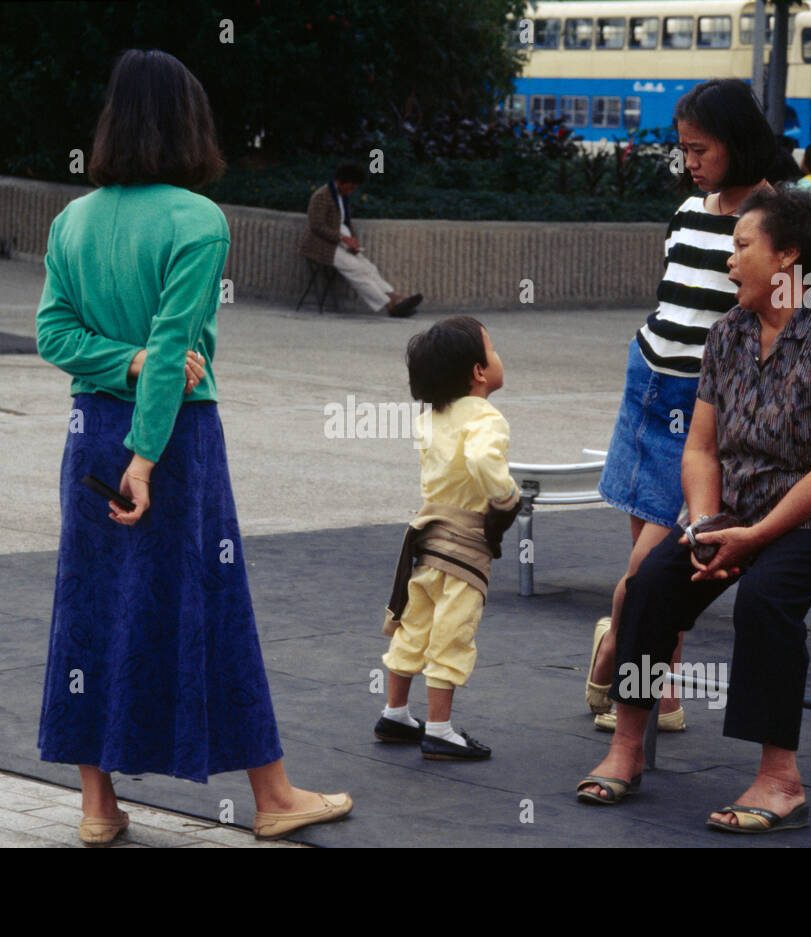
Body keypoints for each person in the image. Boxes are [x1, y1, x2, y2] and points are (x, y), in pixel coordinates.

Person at [35, 48, 351, 845]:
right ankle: (272, 796)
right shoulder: (198, 220)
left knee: (89, 607)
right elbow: (173, 347)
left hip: (89, 433)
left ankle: (97, 805)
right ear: (188, 123)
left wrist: (121, 361)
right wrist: (146, 447)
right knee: (212, 603)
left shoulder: (71, 219)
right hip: (172, 440)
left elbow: (52, 334)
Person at [576, 185, 811, 835]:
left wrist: (754, 537)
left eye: (742, 246)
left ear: (787, 257)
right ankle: (626, 746)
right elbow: (699, 447)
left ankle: (780, 779)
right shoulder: (727, 335)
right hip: (741, 508)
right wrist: (704, 522)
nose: (729, 261)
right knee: (652, 580)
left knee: (766, 599)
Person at [585, 78, 776, 735]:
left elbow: (779, 320)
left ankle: (615, 650)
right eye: (683, 148)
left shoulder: (772, 223)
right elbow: (674, 295)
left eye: (701, 149)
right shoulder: (691, 209)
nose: (689, 161)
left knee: (655, 571)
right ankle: (657, 695)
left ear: (740, 143)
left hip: (701, 403)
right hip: (648, 382)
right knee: (653, 550)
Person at [375, 316, 520, 760]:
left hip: (428, 540)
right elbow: (479, 457)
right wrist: (506, 496)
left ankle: (395, 714)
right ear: (479, 372)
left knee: (414, 624)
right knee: (453, 633)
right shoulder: (487, 418)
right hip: (465, 545)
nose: (498, 358)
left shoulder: (430, 418)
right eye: (492, 351)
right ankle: (439, 730)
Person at [299, 162, 422, 317]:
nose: (352, 191)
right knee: (356, 269)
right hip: (321, 245)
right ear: (342, 182)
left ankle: (395, 297)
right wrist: (343, 238)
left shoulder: (341, 197)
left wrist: (353, 241)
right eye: (351, 187)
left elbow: (346, 223)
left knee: (368, 267)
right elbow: (316, 225)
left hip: (339, 243)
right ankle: (389, 304)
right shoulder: (321, 196)